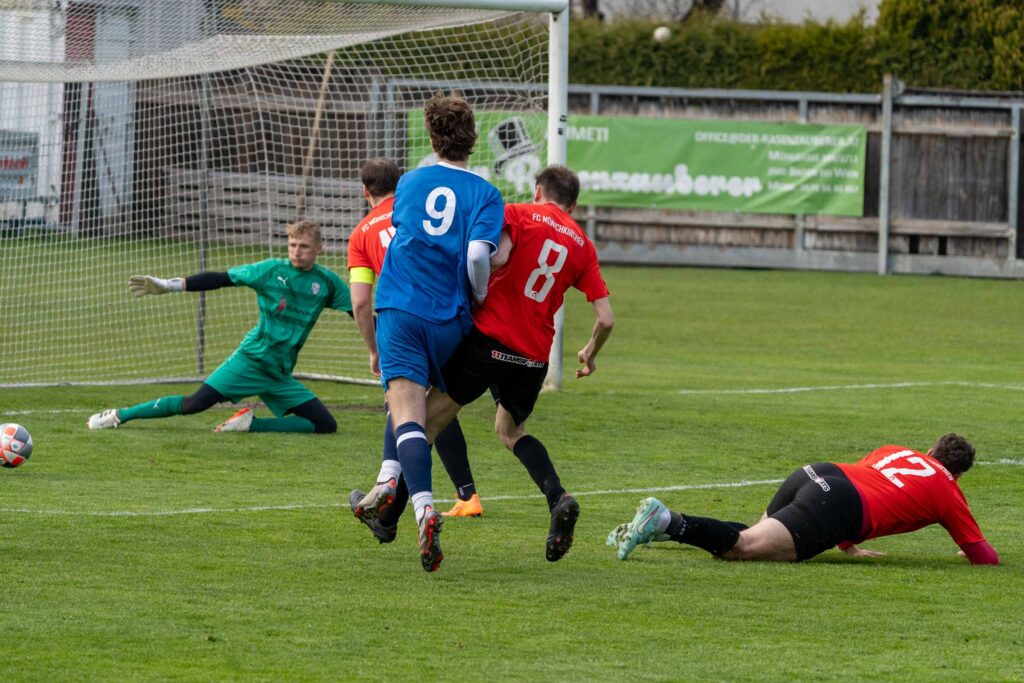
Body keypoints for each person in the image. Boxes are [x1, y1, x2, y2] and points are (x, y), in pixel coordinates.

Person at [420, 164, 614, 563]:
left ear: (537, 190)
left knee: (426, 421)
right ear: (573, 205)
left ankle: (391, 515)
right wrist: (590, 352)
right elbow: (607, 318)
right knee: (509, 430)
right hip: (534, 355)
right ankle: (558, 497)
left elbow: (494, 256)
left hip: (489, 339)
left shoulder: (517, 213)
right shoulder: (582, 244)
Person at [353, 95, 504, 572]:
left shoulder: (410, 182)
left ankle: (421, 508)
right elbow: (478, 255)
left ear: (432, 136)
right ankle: (386, 482)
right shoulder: (486, 193)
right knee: (415, 406)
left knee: (405, 407)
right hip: (451, 317)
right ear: (472, 138)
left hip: (400, 306)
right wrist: (479, 293)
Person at [87, 220, 352, 434]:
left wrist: (377, 344)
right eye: (292, 245)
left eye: (304, 246)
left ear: (319, 249)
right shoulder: (271, 270)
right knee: (193, 404)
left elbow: (358, 311)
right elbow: (221, 278)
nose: (296, 251)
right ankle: (118, 415)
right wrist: (170, 285)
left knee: (325, 425)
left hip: (279, 373)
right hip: (252, 360)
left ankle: (250, 424)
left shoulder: (327, 283)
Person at [345, 158, 486, 548]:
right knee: (432, 408)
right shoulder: (421, 203)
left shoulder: (362, 233)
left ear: (365, 191)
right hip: (452, 317)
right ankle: (462, 493)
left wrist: (373, 349)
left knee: (406, 404)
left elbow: (360, 302)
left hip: (402, 318)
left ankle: (390, 484)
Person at [608, 434, 1000, 565]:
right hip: (837, 501)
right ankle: (666, 520)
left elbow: (874, 486)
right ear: (960, 473)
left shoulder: (897, 450)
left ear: (930, 451)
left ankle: (657, 531)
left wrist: (848, 544)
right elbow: (985, 556)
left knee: (753, 536)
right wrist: (966, 550)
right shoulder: (948, 490)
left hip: (818, 472)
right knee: (743, 548)